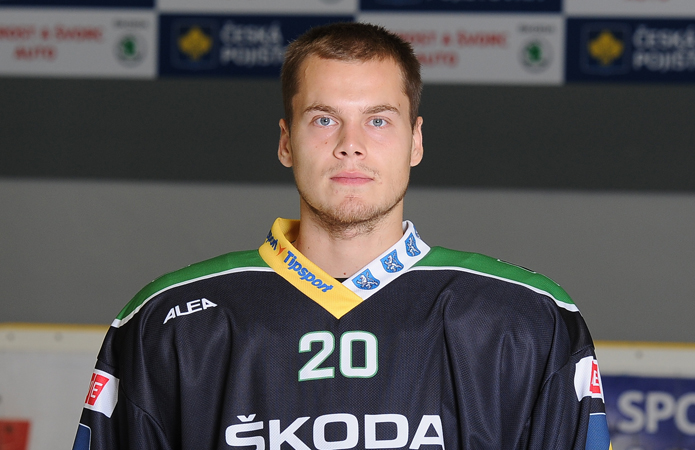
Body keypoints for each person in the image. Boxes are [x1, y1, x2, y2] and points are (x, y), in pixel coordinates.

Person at [73, 22, 610, 450]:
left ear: (416, 141)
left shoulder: (528, 320)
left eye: (378, 121)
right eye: (324, 119)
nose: (351, 144)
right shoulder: (168, 322)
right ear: (286, 142)